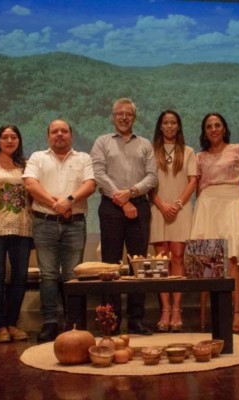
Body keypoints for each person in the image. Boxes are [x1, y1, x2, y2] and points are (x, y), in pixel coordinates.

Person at [23, 119, 96, 342]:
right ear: (48, 137)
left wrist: (69, 200)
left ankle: (73, 322)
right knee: (48, 275)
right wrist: (58, 204)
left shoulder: (83, 158)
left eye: (64, 131)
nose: (60, 134)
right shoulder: (38, 157)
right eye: (55, 131)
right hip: (44, 222)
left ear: (71, 136)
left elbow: (90, 185)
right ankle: (50, 323)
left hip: (74, 223)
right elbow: (30, 185)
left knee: (72, 276)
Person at [91, 98, 158, 335]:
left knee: (138, 264)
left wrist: (130, 194)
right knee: (110, 263)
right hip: (110, 207)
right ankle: (111, 318)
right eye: (119, 113)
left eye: (128, 114)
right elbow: (98, 173)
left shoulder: (145, 144)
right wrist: (122, 200)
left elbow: (152, 177)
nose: (123, 117)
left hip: (139, 206)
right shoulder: (102, 142)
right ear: (112, 117)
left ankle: (137, 319)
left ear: (134, 118)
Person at [190, 112, 239, 333]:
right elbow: (197, 187)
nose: (213, 129)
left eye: (217, 125)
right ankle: (205, 314)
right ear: (205, 131)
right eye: (209, 126)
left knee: (232, 259)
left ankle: (237, 312)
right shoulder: (199, 157)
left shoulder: (236, 149)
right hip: (208, 204)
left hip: (231, 202)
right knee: (206, 261)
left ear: (224, 128)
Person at [0, 125, 33, 343]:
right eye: (4, 137)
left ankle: (12, 323)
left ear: (19, 140)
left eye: (13, 137)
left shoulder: (25, 165)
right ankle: (0, 326)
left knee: (20, 277)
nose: (9, 140)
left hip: (22, 226)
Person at [149, 110, 197, 332]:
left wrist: (176, 204)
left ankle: (177, 309)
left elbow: (192, 181)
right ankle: (164, 310)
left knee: (178, 256)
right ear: (160, 126)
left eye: (173, 123)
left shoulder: (188, 152)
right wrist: (161, 205)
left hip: (181, 209)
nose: (169, 126)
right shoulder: (150, 152)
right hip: (158, 209)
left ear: (178, 127)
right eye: (165, 123)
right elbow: (148, 184)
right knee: (161, 261)